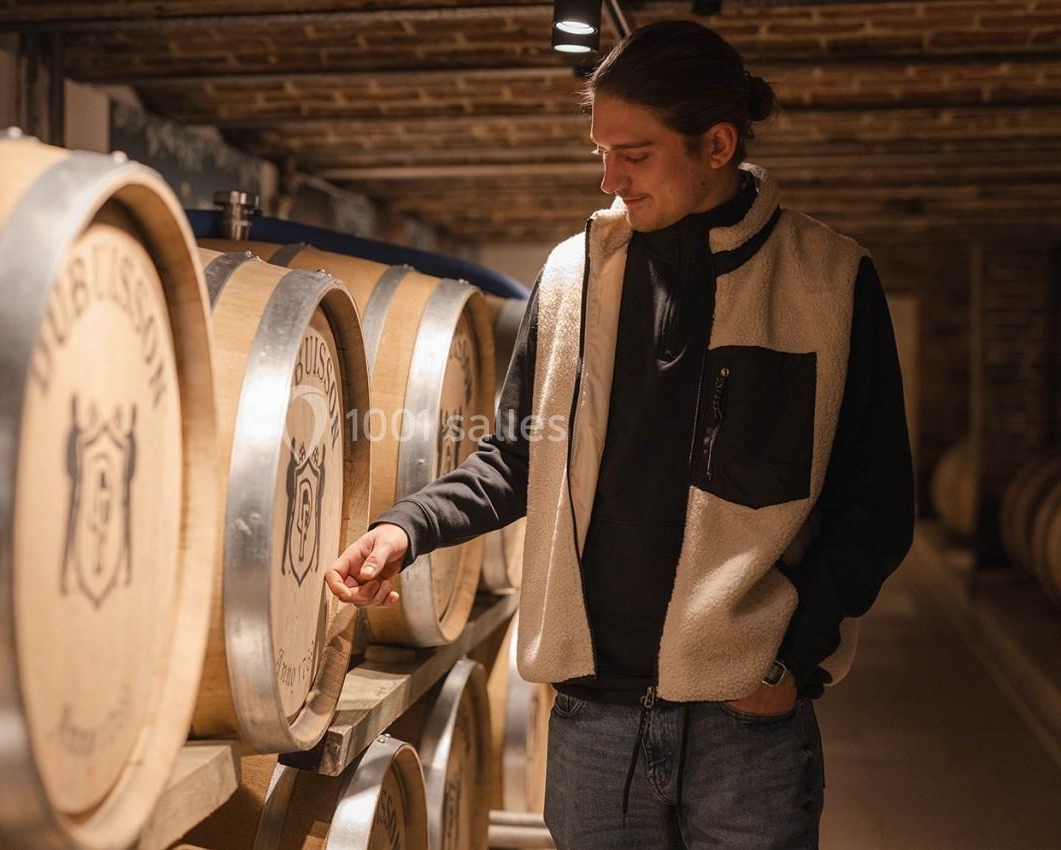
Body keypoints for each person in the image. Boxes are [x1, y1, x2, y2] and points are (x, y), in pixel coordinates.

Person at [326, 19, 915, 849]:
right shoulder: (571, 278)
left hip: (743, 726)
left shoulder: (829, 281)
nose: (609, 178)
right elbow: (517, 457)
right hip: (593, 722)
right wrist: (404, 528)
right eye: (601, 152)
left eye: (634, 154)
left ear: (717, 145)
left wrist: (790, 663)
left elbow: (876, 503)